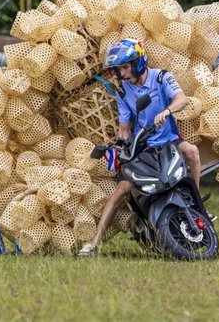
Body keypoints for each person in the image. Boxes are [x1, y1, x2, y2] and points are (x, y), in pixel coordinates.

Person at [78, 39, 203, 257]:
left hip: (169, 140)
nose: (122, 73)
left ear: (138, 61)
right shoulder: (123, 93)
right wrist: (118, 147)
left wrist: (168, 110)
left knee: (192, 152)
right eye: (118, 69)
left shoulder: (162, 77)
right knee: (121, 190)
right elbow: (124, 128)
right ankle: (94, 243)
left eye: (125, 67)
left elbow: (182, 99)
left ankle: (197, 207)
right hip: (144, 146)